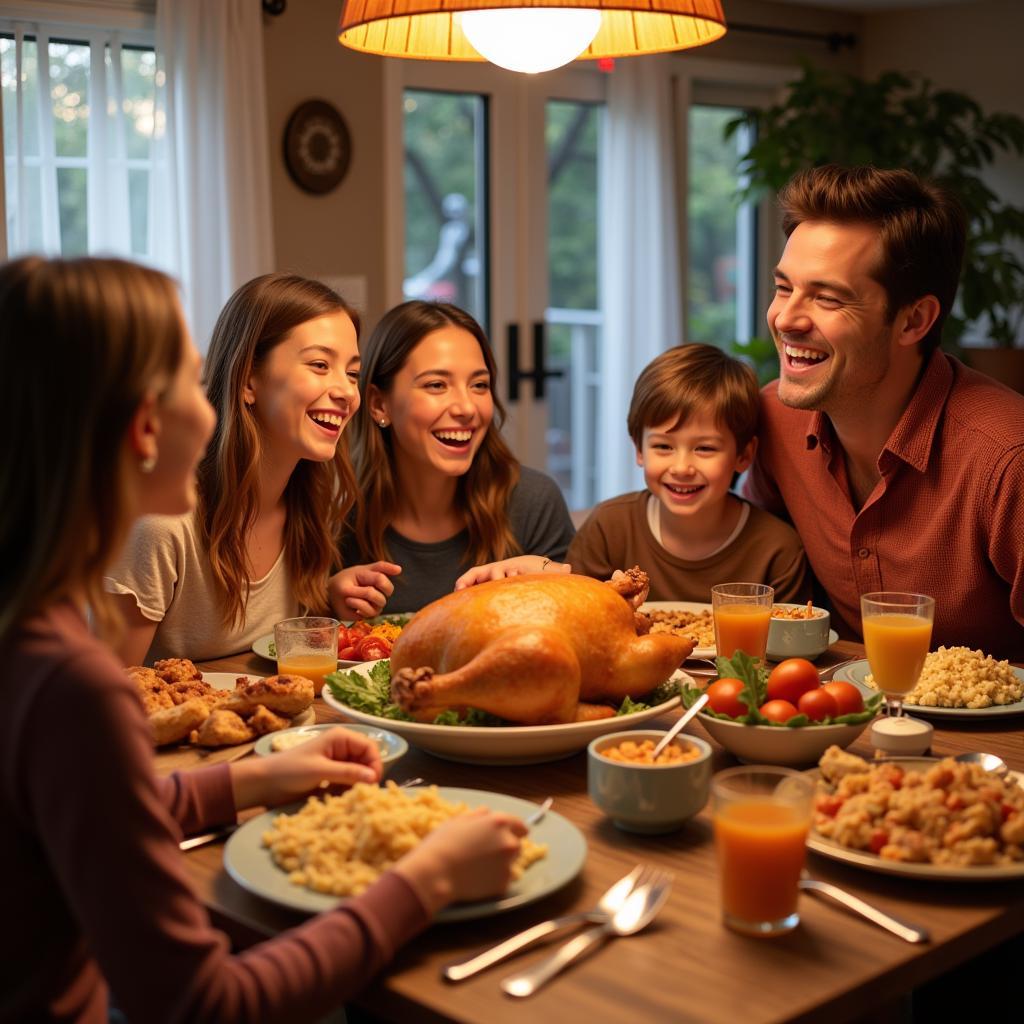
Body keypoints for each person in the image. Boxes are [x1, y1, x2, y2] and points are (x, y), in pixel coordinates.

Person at [0, 256, 528, 1022]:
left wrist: (242, 783)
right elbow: (203, 1003)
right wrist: (425, 883)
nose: (208, 405)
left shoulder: (31, 635)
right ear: (143, 423)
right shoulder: (76, 685)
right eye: (189, 380)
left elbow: (96, 804)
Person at [743, 164, 1024, 657]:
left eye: (828, 298)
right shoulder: (773, 418)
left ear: (914, 320)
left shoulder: (1008, 460)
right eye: (784, 287)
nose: (785, 318)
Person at [106, 273, 399, 665]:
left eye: (351, 373)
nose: (347, 392)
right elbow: (102, 702)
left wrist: (328, 599)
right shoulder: (161, 525)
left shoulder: (311, 506)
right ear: (247, 380)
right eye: (318, 364)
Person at [344, 300, 576, 613]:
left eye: (479, 385)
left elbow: (581, 638)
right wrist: (327, 610)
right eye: (437, 385)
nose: (466, 408)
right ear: (378, 404)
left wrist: (551, 586)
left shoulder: (534, 502)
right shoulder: (337, 517)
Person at [568, 343, 810, 603]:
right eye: (663, 446)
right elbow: (571, 617)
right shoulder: (610, 528)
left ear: (743, 455)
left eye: (705, 448)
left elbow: (790, 640)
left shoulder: (777, 550)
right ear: (639, 449)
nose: (682, 468)